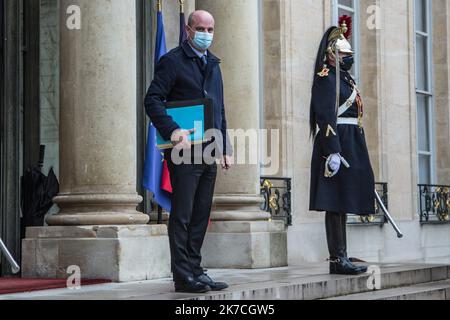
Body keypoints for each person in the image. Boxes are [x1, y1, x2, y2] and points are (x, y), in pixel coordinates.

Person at [145, 10, 232, 293]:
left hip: (209, 149)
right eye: (200, 28)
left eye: (210, 28)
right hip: (183, 151)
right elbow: (153, 100)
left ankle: (196, 268)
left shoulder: (214, 64)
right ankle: (182, 275)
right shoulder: (172, 61)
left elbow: (219, 110)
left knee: (200, 213)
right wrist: (172, 130)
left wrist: (225, 147)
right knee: (182, 214)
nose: (206, 33)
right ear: (188, 29)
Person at [309, 17, 373, 275]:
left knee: (344, 200)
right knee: (335, 203)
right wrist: (332, 150)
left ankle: (343, 254)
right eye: (344, 53)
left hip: (351, 141)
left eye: (350, 53)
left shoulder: (345, 79)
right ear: (332, 56)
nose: (349, 57)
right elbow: (325, 115)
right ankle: (337, 258)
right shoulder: (326, 78)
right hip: (337, 142)